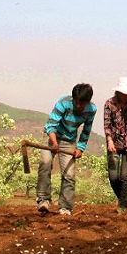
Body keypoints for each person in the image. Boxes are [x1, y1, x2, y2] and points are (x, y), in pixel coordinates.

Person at [36, 83, 96, 216]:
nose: (79, 106)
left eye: (82, 103)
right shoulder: (63, 103)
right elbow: (51, 125)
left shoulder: (92, 109)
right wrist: (54, 142)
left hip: (69, 141)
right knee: (45, 164)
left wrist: (80, 148)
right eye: (76, 102)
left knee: (69, 174)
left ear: (88, 101)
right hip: (52, 136)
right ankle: (43, 200)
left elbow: (86, 130)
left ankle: (65, 207)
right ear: (73, 98)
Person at [103, 76, 127, 213]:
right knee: (113, 176)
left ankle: (123, 206)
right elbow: (107, 125)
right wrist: (109, 141)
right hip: (113, 143)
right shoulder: (109, 104)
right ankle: (122, 198)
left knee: (124, 176)